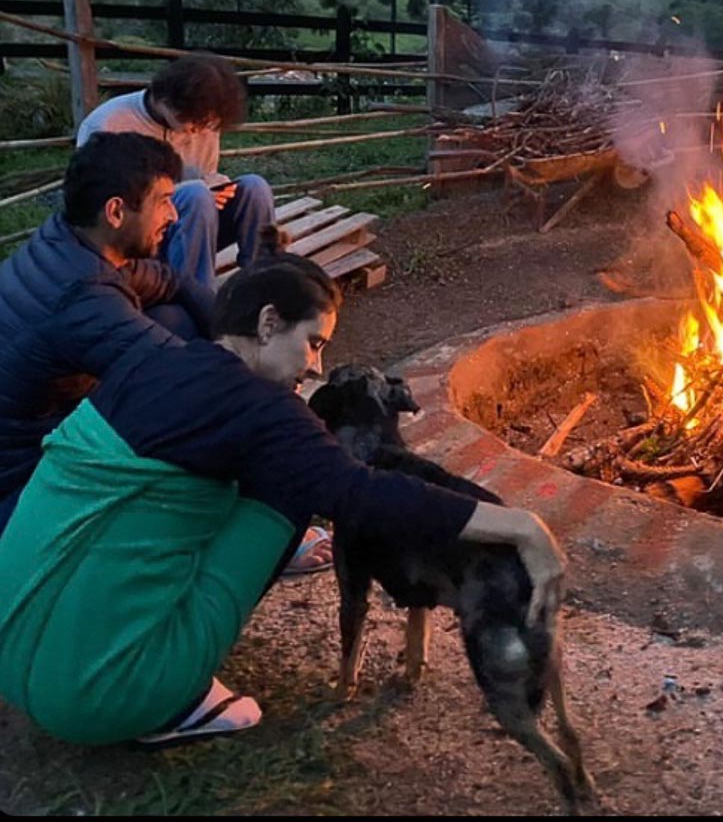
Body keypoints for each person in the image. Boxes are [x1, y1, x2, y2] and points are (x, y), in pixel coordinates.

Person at [0, 251, 565, 750]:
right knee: (293, 485)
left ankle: (122, 642)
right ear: (269, 323)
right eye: (313, 342)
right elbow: (364, 494)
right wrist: (521, 526)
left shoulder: (155, 358)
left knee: (180, 497)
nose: (316, 364)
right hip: (105, 700)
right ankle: (177, 705)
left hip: (9, 636)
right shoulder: (265, 410)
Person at [0, 132, 214, 526]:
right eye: (163, 201)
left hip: (42, 427)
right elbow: (187, 384)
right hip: (22, 485)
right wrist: (263, 372)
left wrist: (225, 326)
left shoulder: (69, 240)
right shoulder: (81, 297)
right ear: (116, 212)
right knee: (195, 431)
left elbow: (169, 280)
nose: (174, 216)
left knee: (176, 319)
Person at [76, 53, 275, 291]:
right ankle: (195, 294)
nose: (198, 131)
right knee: (196, 195)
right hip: (139, 241)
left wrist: (216, 187)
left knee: (255, 187)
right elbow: (102, 207)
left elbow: (205, 174)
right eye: (195, 121)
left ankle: (264, 278)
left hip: (193, 230)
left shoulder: (203, 122)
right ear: (166, 99)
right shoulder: (108, 124)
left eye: (207, 124)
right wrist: (185, 194)